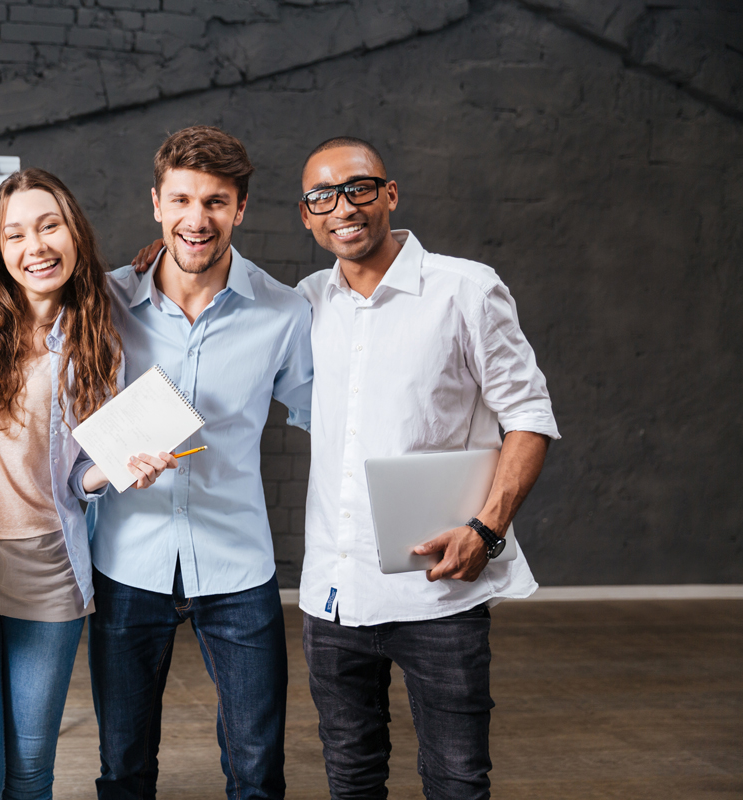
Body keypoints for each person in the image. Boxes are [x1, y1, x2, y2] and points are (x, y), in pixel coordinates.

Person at [295, 136, 559, 799]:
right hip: (333, 593)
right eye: (322, 196)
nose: (342, 207)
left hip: (440, 589)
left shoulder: (465, 289)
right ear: (307, 215)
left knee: (457, 780)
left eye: (358, 188)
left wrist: (487, 529)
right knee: (351, 779)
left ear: (389, 194)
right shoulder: (303, 304)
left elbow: (529, 415)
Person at [0, 168, 177, 800]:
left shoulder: (98, 338)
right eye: (15, 235)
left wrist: (122, 469)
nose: (34, 246)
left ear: (73, 233)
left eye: (48, 226)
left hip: (50, 576)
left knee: (31, 772)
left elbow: (79, 473)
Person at [81, 126, 314, 800]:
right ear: (157, 202)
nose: (196, 218)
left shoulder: (284, 312)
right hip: (128, 559)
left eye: (215, 202)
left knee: (257, 771)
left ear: (240, 209)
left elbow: (326, 421)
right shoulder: (104, 301)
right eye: (181, 199)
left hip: (237, 563)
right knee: (123, 769)